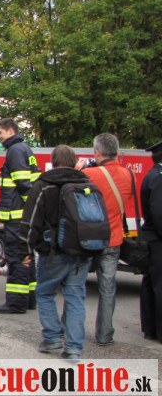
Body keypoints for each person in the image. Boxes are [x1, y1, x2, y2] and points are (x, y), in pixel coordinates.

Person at [21, 145, 92, 360]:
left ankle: (52, 339)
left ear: (53, 161)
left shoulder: (43, 185)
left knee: (44, 292)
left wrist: (26, 250)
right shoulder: (86, 183)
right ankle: (74, 349)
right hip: (82, 250)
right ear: (74, 161)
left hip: (53, 251)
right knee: (75, 297)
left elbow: (30, 222)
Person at [74, 133, 132, 346]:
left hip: (89, 239)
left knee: (76, 286)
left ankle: (72, 331)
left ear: (97, 153)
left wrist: (78, 168)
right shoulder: (128, 175)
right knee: (108, 289)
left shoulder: (88, 174)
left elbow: (71, 192)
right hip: (113, 239)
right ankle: (105, 335)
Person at [0, 118, 41, 314]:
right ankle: (29, 299)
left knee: (16, 257)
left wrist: (28, 208)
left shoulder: (15, 150)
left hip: (16, 216)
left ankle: (16, 303)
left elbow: (23, 184)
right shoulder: (25, 149)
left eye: (0, 133)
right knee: (27, 256)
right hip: (22, 216)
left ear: (11, 131)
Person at [140, 140, 162, 343]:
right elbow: (158, 212)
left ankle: (150, 328)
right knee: (158, 286)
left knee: (150, 283)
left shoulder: (153, 175)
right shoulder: (158, 178)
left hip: (152, 238)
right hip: (157, 239)